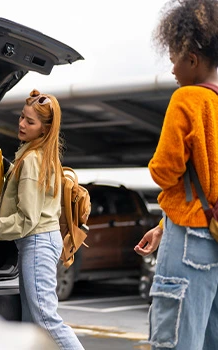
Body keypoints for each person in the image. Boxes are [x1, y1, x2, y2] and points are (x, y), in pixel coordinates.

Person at [0, 89, 84, 349]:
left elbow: (26, 220)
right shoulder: (42, 155)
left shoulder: (31, 161)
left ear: (44, 129)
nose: (21, 124)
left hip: (38, 243)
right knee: (32, 322)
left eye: (30, 122)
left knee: (46, 319)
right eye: (21, 117)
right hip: (42, 241)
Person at [134, 0, 218, 349]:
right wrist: (161, 226)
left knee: (174, 339)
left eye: (173, 59)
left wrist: (154, 167)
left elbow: (165, 171)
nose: (171, 69)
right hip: (213, 240)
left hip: (188, 243)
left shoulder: (188, 99)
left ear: (192, 58)